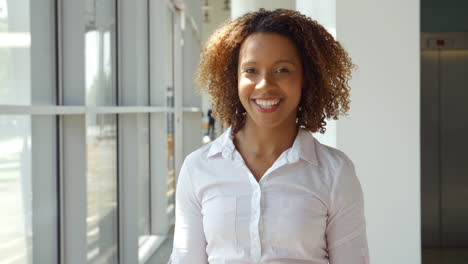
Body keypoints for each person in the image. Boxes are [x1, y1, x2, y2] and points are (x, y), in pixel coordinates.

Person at [170, 8, 369, 264]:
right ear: (234, 79)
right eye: (250, 70)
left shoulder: (335, 172)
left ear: (306, 78)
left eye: (282, 70)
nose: (264, 84)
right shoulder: (198, 168)